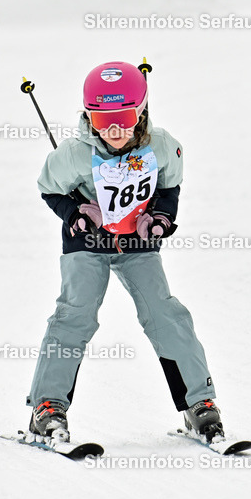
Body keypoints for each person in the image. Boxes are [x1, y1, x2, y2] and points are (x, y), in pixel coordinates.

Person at [26, 61, 226, 444]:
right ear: (88, 117)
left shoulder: (162, 146)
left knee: (166, 313)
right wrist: (75, 212)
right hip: (88, 241)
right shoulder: (72, 154)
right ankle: (47, 408)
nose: (115, 130)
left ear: (143, 112)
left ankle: (199, 405)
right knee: (76, 314)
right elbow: (49, 188)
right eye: (102, 122)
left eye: (124, 118)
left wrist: (161, 217)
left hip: (137, 242)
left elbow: (170, 186)